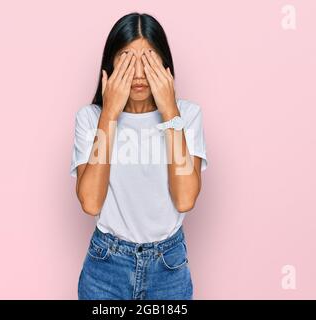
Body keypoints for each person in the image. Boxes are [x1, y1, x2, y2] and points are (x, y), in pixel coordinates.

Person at [70, 12, 208, 300]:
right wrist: (109, 113)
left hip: (168, 265)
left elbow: (185, 199)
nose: (138, 74)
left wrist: (170, 110)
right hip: (106, 265)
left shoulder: (188, 114)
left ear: (165, 66)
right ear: (110, 66)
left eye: (148, 59)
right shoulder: (90, 118)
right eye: (128, 60)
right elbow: (91, 202)